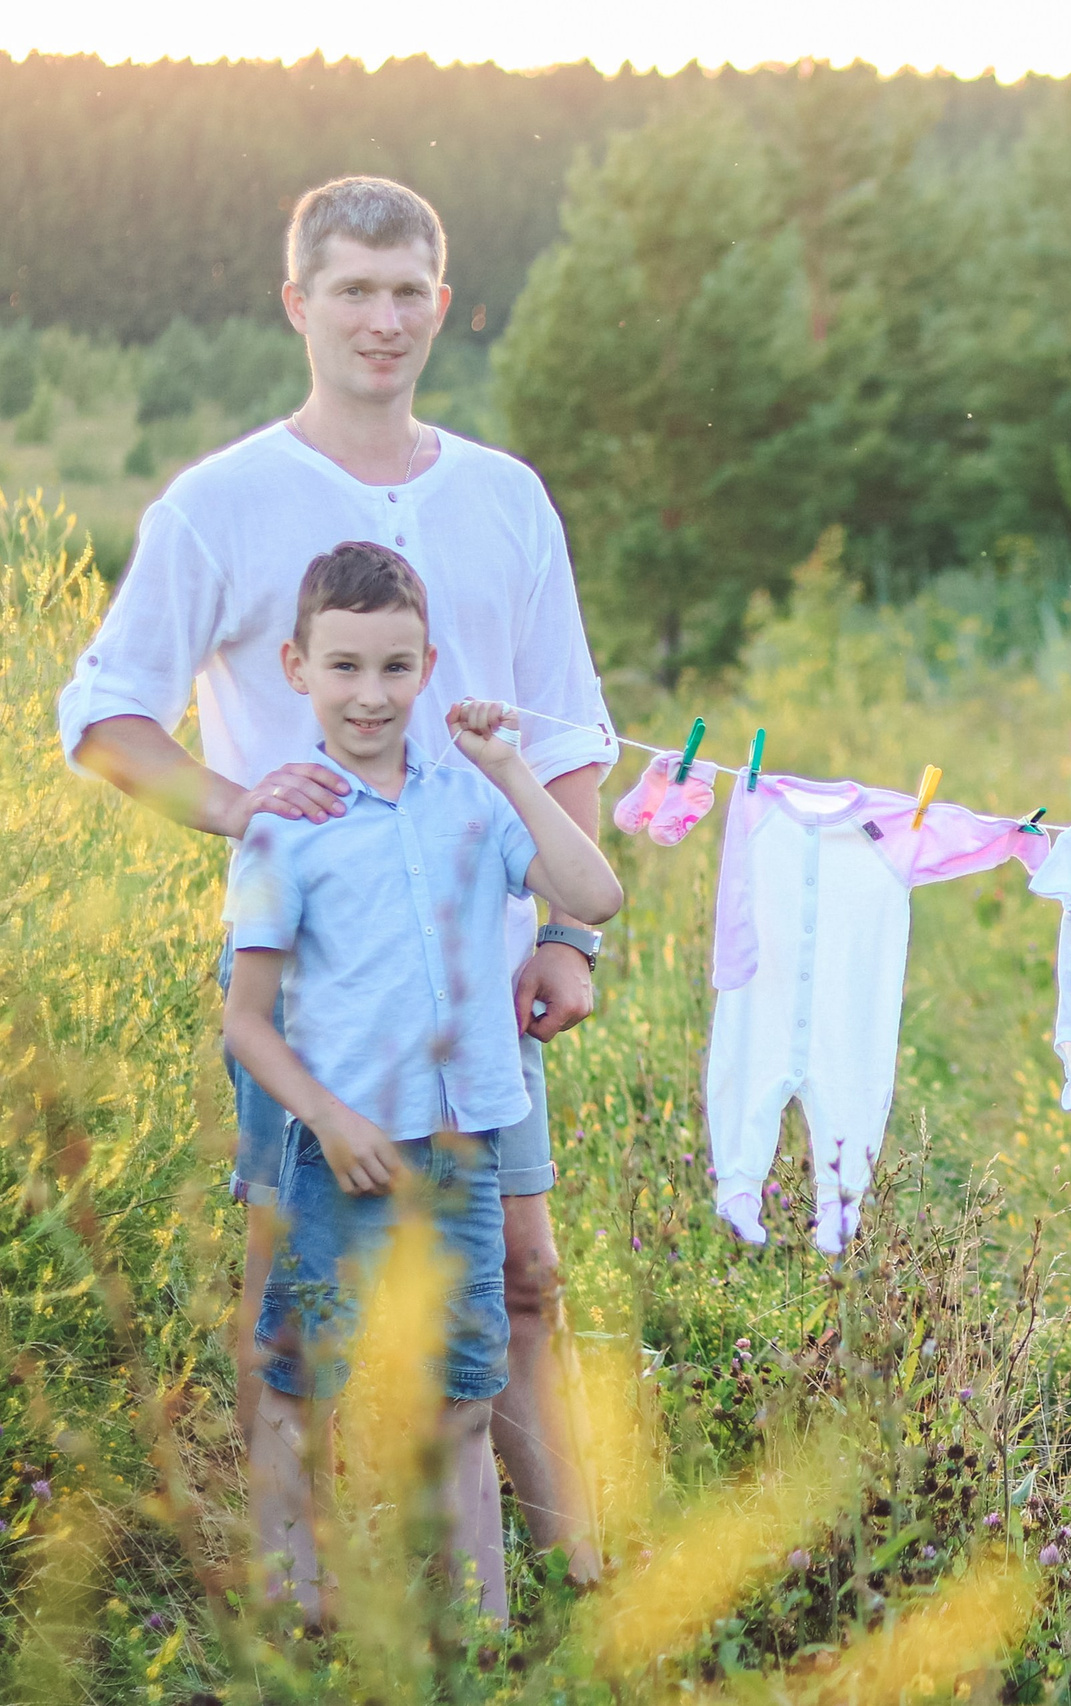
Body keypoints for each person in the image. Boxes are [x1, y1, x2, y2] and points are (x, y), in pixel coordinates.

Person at [55, 177, 615, 1575]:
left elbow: (565, 720)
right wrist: (243, 801)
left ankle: (581, 1582)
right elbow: (104, 718)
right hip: (316, 998)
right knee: (292, 1301)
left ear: (444, 300)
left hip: (485, 989)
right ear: (298, 303)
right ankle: (295, 1591)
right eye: (353, 289)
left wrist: (567, 936)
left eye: (408, 288)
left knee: (526, 1281)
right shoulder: (221, 504)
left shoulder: (503, 496)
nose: (383, 317)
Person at [226, 542, 622, 1621]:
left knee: (461, 1391)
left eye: (395, 668)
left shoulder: (473, 805)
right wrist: (329, 1116)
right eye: (345, 666)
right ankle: (293, 1613)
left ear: (428, 666)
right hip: (337, 1155)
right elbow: (247, 1022)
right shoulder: (283, 826)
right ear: (296, 666)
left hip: (461, 1155)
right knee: (301, 1381)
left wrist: (510, 768)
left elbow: (597, 888)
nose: (371, 693)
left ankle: (479, 1635)